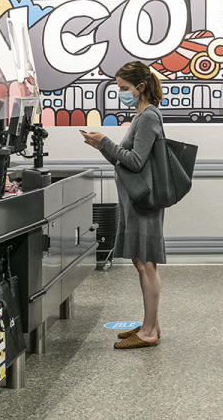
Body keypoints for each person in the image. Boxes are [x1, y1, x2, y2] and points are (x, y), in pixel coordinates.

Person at [81, 61, 165, 350]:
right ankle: (148, 324)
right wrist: (102, 147)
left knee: (147, 264)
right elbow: (124, 161)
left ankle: (150, 331)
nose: (121, 93)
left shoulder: (149, 117)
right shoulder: (141, 116)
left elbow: (136, 161)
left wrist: (106, 141)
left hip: (142, 201)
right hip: (133, 199)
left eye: (124, 88)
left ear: (140, 87)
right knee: (140, 262)